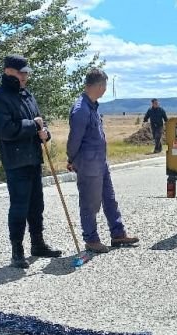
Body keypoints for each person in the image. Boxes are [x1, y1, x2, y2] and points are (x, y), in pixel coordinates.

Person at [0, 54, 61, 269]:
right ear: (8, 71)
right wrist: (33, 126)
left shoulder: (27, 95)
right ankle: (17, 251)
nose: (25, 76)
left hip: (33, 158)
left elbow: (40, 121)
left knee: (37, 205)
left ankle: (37, 244)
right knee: (19, 206)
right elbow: (5, 130)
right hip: (16, 161)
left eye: (26, 73)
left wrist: (45, 133)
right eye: (21, 72)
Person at [67, 68, 139, 253]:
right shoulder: (81, 109)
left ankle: (118, 234)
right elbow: (74, 139)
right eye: (105, 86)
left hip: (100, 161)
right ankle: (91, 239)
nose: (105, 90)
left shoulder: (91, 106)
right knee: (90, 202)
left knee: (109, 198)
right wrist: (71, 159)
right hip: (89, 163)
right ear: (99, 86)